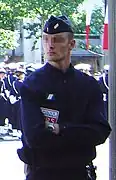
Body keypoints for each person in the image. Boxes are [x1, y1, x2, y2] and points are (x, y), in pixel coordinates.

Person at [17, 15, 111, 180]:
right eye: (46, 39)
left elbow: (100, 131)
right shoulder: (33, 84)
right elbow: (35, 137)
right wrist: (78, 133)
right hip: (42, 172)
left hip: (79, 173)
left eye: (57, 39)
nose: (50, 45)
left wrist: (60, 129)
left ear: (71, 44)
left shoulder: (87, 85)